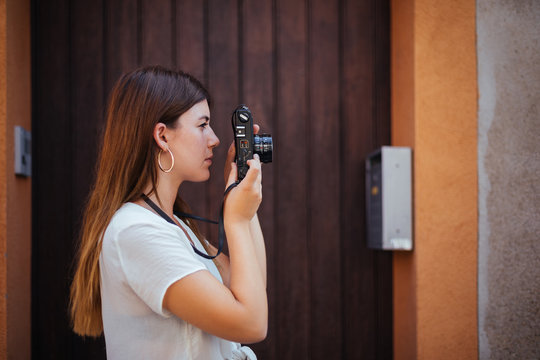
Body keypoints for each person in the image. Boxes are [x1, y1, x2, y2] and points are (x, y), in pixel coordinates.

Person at [69, 65, 267, 360]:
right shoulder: (136, 232)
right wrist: (236, 219)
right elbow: (251, 324)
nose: (214, 139)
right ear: (162, 136)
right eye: (202, 125)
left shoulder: (174, 225)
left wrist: (241, 191)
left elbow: (252, 288)